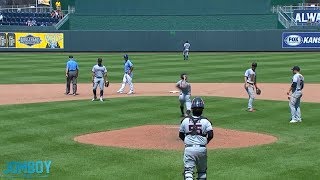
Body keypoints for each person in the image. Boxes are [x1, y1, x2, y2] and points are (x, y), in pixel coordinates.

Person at [179, 97, 214, 180]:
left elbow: (180, 134)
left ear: (192, 108)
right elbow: (211, 135)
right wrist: (206, 141)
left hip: (189, 149)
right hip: (202, 149)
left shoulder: (185, 120)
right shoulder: (206, 121)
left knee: (188, 172)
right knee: (202, 172)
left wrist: (187, 141)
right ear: (202, 109)